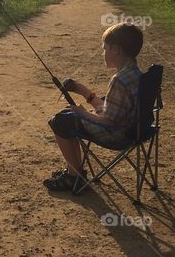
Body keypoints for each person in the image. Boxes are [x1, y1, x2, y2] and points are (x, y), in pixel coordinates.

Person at [45, 22, 144, 191]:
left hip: (117, 134)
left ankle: (74, 177)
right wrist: (82, 90)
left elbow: (109, 121)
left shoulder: (119, 80)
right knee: (69, 116)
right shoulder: (137, 74)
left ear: (116, 50)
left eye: (105, 48)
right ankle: (75, 171)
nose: (103, 53)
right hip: (136, 129)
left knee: (59, 121)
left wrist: (83, 113)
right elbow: (113, 108)